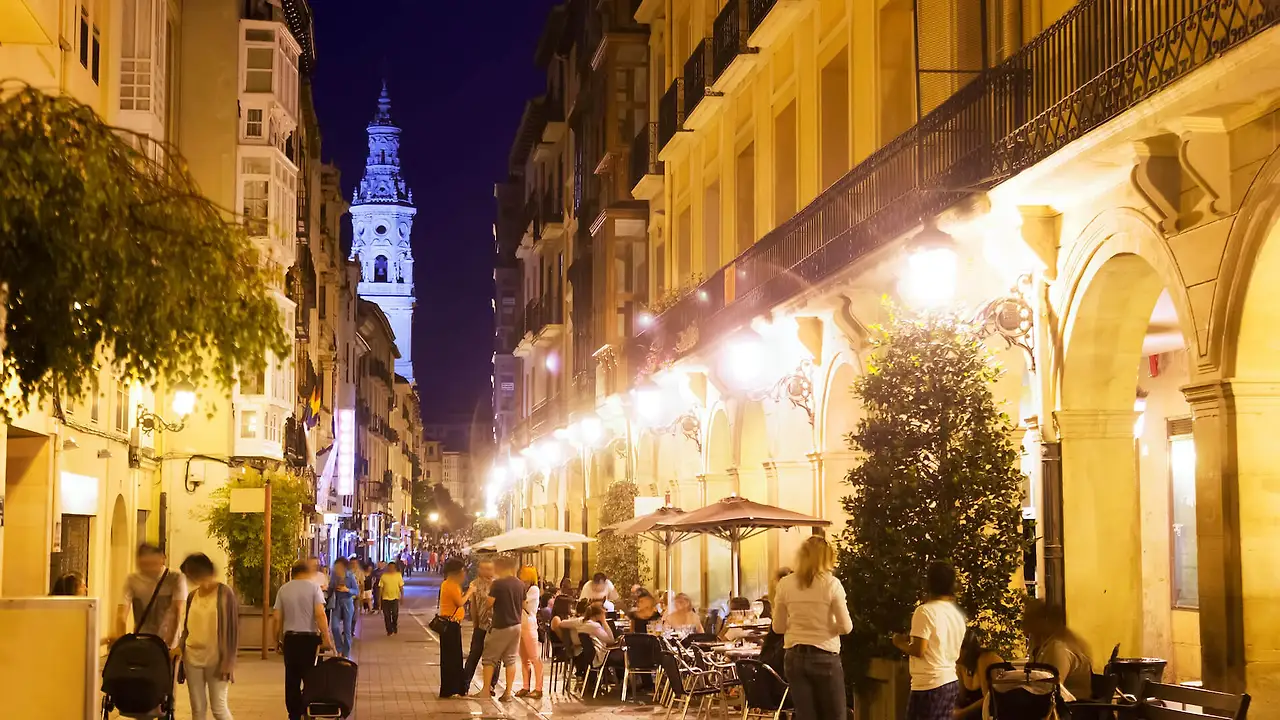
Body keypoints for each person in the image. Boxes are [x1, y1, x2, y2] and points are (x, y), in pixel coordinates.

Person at [772, 536, 853, 720]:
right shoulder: (832, 585)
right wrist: (824, 626)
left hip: (794, 657)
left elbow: (778, 627)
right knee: (835, 715)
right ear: (827, 558)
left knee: (805, 715)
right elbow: (846, 627)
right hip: (825, 655)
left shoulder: (785, 584)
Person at [894, 562, 967, 720]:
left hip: (929, 684)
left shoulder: (924, 611)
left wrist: (899, 643)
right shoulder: (957, 615)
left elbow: (919, 650)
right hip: (950, 680)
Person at [176, 553, 239, 720]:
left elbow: (232, 630)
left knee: (218, 708)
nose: (189, 578)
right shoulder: (192, 596)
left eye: (190, 573)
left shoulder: (225, 593)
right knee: (197, 708)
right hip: (192, 657)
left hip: (217, 659)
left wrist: (229, 661)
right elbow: (187, 627)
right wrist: (180, 647)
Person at [274, 560, 335, 720]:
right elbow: (320, 615)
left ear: (292, 573)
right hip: (310, 639)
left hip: (291, 639)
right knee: (310, 676)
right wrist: (326, 638)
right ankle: (308, 711)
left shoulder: (283, 589)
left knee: (292, 678)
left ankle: (294, 714)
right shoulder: (314, 588)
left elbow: (277, 618)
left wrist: (276, 639)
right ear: (305, 572)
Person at [115, 544, 187, 650]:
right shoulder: (133, 580)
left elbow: (176, 611)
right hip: (144, 640)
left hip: (163, 642)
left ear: (162, 558)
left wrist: (169, 644)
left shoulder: (175, 578)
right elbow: (121, 616)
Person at [1024, 598, 1093, 701]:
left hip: (1070, 710)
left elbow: (1050, 689)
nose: (1024, 623)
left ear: (1045, 620)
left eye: (1029, 618)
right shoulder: (1043, 643)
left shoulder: (1059, 647)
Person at [480, 556, 525, 701]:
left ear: (501, 567)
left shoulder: (497, 584)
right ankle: (508, 693)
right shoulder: (520, 584)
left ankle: (486, 690)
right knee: (510, 659)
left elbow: (488, 604)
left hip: (501, 625)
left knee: (489, 659)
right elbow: (524, 604)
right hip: (516, 625)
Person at [437, 558, 473, 698]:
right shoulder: (450, 585)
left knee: (453, 658)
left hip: (452, 624)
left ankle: (454, 688)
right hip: (450, 625)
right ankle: (450, 689)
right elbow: (459, 602)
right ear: (457, 572)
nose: (464, 575)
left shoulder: (449, 584)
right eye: (463, 571)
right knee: (452, 658)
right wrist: (469, 592)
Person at [463, 559, 499, 693]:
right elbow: (473, 606)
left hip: (495, 626)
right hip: (481, 625)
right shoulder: (474, 584)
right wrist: (475, 623)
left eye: (489, 569)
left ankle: (491, 686)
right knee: (474, 655)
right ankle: (465, 685)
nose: (486, 572)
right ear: (479, 570)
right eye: (484, 569)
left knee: (495, 657)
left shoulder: (497, 584)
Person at [955, 629, 1004, 719]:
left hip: (993, 712)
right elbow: (960, 699)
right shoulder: (960, 665)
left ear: (964, 649)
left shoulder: (985, 659)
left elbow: (989, 698)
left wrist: (962, 713)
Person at [516, 565, 545, 699]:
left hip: (529, 624)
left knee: (534, 657)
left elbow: (523, 603)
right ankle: (525, 686)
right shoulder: (522, 589)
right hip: (520, 625)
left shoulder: (533, 589)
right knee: (524, 659)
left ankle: (538, 688)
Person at [328, 558, 358, 657]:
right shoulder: (334, 576)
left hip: (347, 602)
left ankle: (346, 653)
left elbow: (356, 591)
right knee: (334, 627)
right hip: (336, 602)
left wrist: (347, 590)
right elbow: (330, 588)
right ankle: (339, 648)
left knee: (347, 629)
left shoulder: (350, 576)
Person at [379, 561, 405, 635]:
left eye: (393, 568)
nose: (391, 569)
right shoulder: (384, 576)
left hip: (395, 598)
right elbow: (380, 588)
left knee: (395, 614)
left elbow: (401, 587)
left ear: (395, 568)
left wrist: (402, 596)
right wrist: (379, 599)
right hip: (385, 598)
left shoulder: (398, 575)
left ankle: (394, 625)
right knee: (386, 615)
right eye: (390, 567)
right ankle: (389, 630)